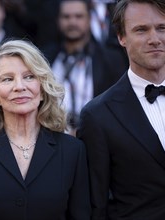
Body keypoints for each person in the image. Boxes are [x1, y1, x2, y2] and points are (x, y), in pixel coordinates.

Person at [0, 39, 91, 220]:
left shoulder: (72, 151)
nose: (20, 86)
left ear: (42, 87)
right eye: (7, 79)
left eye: (29, 76)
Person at [77, 0, 165, 219]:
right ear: (121, 37)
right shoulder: (98, 116)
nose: (154, 39)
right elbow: (96, 206)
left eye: (162, 28)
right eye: (141, 30)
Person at [49, 0, 128, 135]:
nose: (72, 22)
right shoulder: (47, 57)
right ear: (58, 20)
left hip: (95, 138)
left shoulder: (111, 59)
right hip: (53, 137)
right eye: (66, 17)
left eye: (78, 16)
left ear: (89, 19)